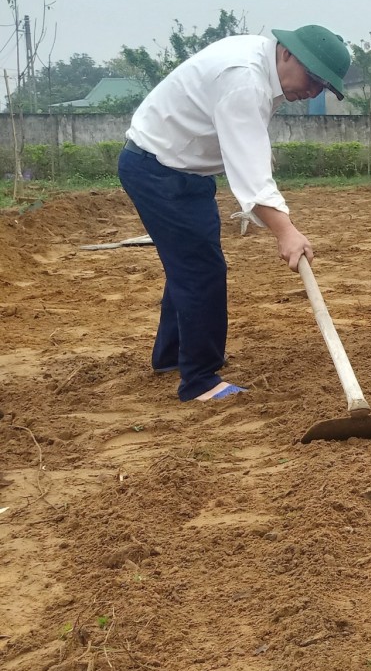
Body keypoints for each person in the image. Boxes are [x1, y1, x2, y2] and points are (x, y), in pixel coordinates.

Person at [118, 24, 352, 402]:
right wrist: (286, 232)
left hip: (183, 171)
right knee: (200, 270)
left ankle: (172, 355)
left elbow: (248, 148)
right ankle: (199, 381)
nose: (311, 92)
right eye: (312, 78)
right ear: (287, 54)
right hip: (159, 171)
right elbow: (250, 175)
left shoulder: (261, 64)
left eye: (321, 87)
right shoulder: (244, 79)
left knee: (190, 263)